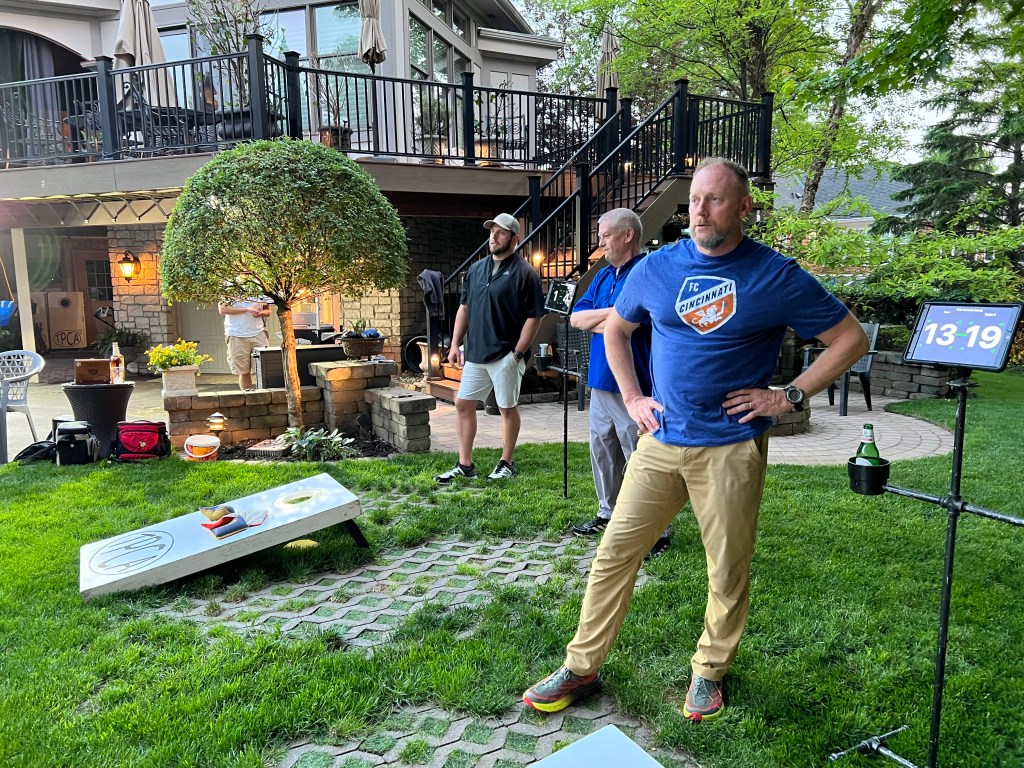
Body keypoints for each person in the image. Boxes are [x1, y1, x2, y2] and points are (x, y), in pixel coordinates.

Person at [523, 158, 869, 721]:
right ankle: (581, 666)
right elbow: (617, 331)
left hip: (731, 447)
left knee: (726, 568)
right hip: (661, 441)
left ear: (744, 207)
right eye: (694, 201)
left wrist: (787, 396)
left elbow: (850, 338)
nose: (700, 212)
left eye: (715, 200)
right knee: (614, 553)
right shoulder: (658, 267)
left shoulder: (775, 275)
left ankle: (709, 671)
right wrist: (633, 398)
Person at [569, 208, 672, 559]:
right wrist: (616, 318)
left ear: (627, 235)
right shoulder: (602, 276)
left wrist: (612, 321)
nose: (600, 243)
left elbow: (641, 320)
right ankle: (608, 513)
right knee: (603, 451)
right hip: (600, 380)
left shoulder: (647, 272)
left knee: (640, 456)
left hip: (636, 385)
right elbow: (576, 318)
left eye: (605, 236)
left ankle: (657, 530)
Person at [434, 213, 545, 483]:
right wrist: (455, 343)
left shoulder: (526, 273)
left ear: (515, 239)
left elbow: (534, 317)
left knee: (506, 408)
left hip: (506, 354)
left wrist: (517, 354)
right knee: (463, 404)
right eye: (492, 232)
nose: (493, 237)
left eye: (501, 233)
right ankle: (465, 465)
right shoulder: (475, 269)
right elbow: (464, 307)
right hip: (476, 353)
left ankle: (506, 462)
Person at [218, 298, 271, 390]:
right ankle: (248, 396)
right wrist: (247, 310)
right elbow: (223, 310)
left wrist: (261, 313)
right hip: (236, 334)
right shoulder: (227, 291)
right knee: (244, 372)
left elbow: (268, 311)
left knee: (264, 369)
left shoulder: (261, 291)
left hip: (258, 333)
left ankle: (265, 395)